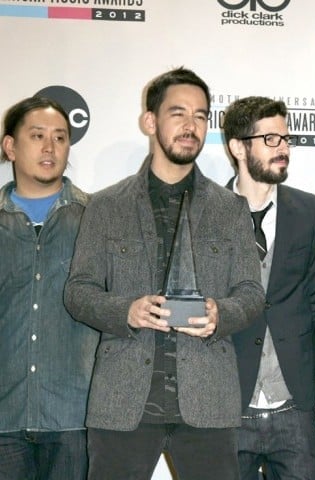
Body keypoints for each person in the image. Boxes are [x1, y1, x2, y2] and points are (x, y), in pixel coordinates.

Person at [63, 67, 265, 480]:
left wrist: (219, 314)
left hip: (208, 401)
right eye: (178, 113)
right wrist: (126, 311)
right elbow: (78, 291)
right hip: (122, 401)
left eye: (201, 115)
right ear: (150, 121)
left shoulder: (230, 208)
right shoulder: (105, 206)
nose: (191, 126)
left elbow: (251, 292)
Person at [222, 96, 315, 479]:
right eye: (269, 139)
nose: (282, 148)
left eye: (285, 138)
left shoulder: (309, 210)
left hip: (294, 406)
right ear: (238, 146)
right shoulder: (207, 211)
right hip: (228, 406)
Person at [0, 96, 99, 480]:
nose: (49, 147)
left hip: (75, 418)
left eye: (60, 138)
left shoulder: (96, 218)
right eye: (37, 135)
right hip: (4, 419)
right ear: (10, 146)